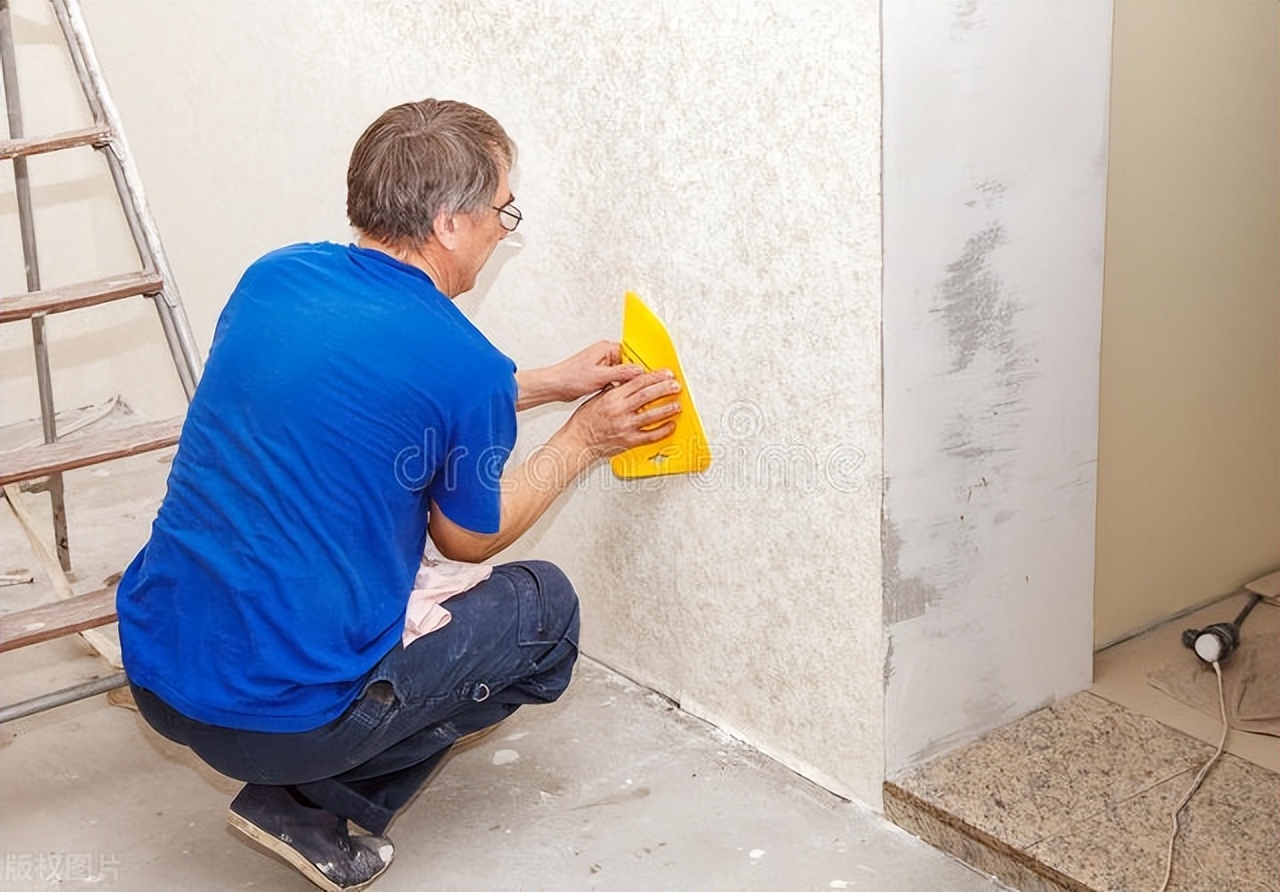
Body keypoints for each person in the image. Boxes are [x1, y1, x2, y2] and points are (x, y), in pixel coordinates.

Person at [115, 98, 681, 892]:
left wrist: (549, 382)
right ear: (449, 223)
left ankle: (299, 784)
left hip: (157, 667)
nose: (503, 229)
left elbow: (374, 392)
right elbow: (468, 539)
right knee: (544, 612)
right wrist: (583, 439)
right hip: (279, 723)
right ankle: (304, 804)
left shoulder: (276, 277)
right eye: (503, 211)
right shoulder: (461, 363)